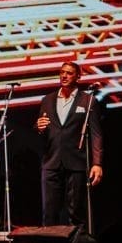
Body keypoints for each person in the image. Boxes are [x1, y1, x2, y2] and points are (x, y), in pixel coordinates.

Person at [36, 61, 104, 233]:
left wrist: (97, 163)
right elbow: (42, 130)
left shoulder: (88, 100)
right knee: (49, 211)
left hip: (76, 162)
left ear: (78, 77)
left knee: (76, 212)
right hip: (51, 161)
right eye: (62, 72)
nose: (64, 76)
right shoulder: (47, 100)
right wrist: (39, 127)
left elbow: (96, 134)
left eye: (69, 73)